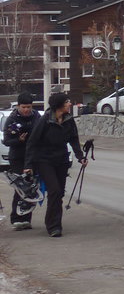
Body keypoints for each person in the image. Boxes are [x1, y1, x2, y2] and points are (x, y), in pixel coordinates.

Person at [24, 92, 87, 238]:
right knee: (54, 190)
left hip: (62, 160)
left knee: (59, 194)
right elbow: (32, 143)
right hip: (45, 160)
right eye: (67, 102)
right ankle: (53, 226)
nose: (70, 104)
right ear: (59, 105)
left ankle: (53, 222)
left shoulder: (69, 120)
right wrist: (28, 164)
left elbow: (74, 139)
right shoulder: (45, 120)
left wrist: (80, 157)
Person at [3, 92, 41, 229]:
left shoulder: (36, 117)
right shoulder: (13, 119)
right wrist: (18, 140)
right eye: (24, 107)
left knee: (31, 188)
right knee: (21, 187)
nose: (26, 110)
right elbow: (6, 140)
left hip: (33, 156)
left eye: (29, 107)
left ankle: (26, 218)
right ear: (18, 106)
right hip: (18, 157)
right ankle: (16, 218)